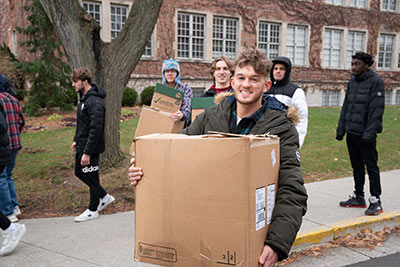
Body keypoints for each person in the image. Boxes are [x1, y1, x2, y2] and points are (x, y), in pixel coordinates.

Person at [129, 49, 308, 266]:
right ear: (233, 81)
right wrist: (145, 169)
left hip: (251, 241)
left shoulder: (282, 130)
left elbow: (292, 190)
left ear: (266, 85)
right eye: (241, 78)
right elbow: (173, 155)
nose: (246, 85)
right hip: (205, 236)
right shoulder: (210, 118)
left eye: (254, 79)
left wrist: (277, 244)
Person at [336, 52, 385, 216]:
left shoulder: (376, 81)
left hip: (366, 135)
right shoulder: (352, 81)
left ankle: (376, 200)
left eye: (357, 64)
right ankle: (359, 197)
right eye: (352, 64)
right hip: (352, 132)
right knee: (356, 166)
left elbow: (376, 110)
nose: (353, 67)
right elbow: (346, 106)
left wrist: (369, 133)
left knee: (371, 167)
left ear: (366, 65)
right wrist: (341, 128)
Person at [71, 68, 114, 222]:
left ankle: (92, 209)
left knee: (92, 177)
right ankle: (104, 196)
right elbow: (82, 124)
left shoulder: (95, 102)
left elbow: (96, 130)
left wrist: (87, 152)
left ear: (85, 81)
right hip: (83, 144)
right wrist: (77, 140)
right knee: (79, 172)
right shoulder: (83, 98)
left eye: (75, 82)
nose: (73, 85)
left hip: (91, 148)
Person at [264, 56, 308, 148]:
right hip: (264, 137)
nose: (278, 71)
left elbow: (301, 119)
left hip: (285, 137)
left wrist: (297, 142)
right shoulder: (265, 88)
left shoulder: (295, 91)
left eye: (282, 69)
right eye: (275, 68)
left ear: (287, 71)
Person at [0, 103, 26, 256]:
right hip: (9, 148)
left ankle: (10, 227)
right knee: (6, 178)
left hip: (2, 153)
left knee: (5, 179)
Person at [0, 83, 25, 223]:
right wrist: (16, 133)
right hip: (15, 143)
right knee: (8, 176)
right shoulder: (13, 99)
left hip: (3, 144)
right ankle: (14, 206)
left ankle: (8, 212)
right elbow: (21, 121)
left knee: (2, 178)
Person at [161, 58, 193, 127]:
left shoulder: (185, 89)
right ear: (163, 74)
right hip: (163, 124)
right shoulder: (160, 90)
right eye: (167, 71)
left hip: (180, 126)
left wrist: (182, 114)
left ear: (177, 74)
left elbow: (187, 108)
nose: (170, 73)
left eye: (173, 71)